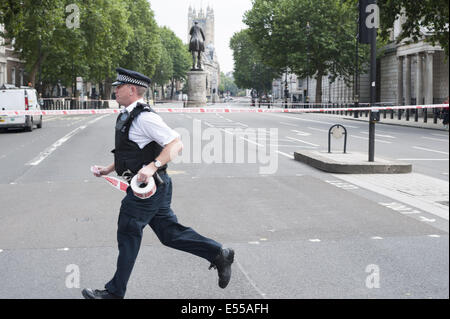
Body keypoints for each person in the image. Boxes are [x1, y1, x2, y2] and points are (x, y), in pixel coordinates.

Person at [82, 67, 234, 299]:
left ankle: (113, 293)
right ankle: (218, 253)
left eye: (119, 86)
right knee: (169, 234)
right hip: (154, 188)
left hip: (149, 189)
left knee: (128, 231)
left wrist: (152, 166)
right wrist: (109, 168)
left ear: (132, 90)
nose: (115, 90)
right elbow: (128, 151)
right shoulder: (126, 114)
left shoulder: (145, 117)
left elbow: (176, 144)